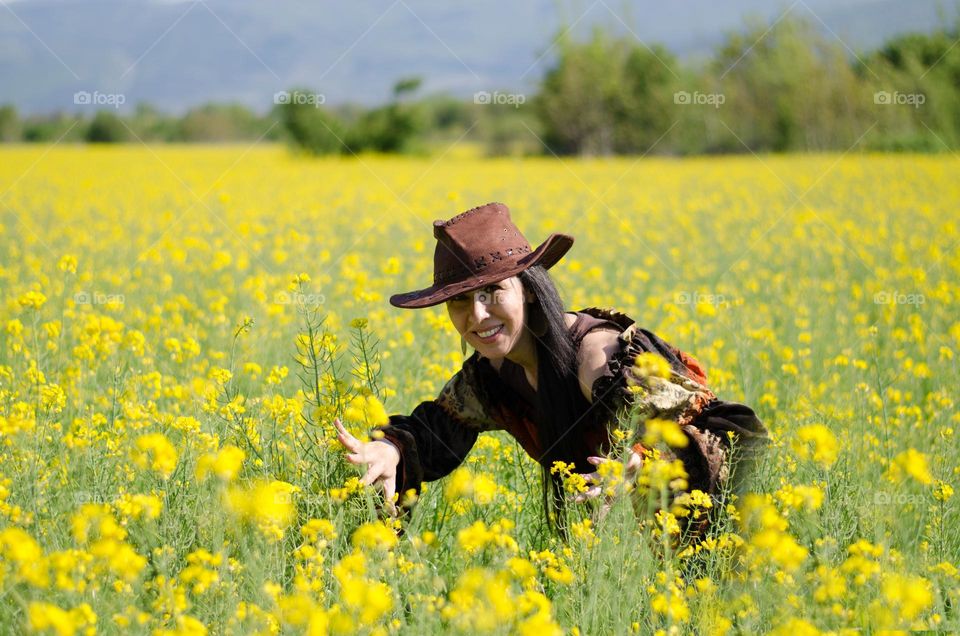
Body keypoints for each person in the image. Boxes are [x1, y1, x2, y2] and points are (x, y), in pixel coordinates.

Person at [334, 201, 767, 538]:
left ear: (530, 290)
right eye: (460, 301)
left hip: (714, 529)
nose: (478, 315)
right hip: (622, 558)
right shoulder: (491, 377)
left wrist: (638, 461)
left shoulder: (598, 357)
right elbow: (439, 428)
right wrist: (390, 449)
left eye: (492, 292)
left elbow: (711, 425)